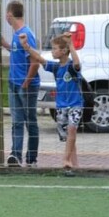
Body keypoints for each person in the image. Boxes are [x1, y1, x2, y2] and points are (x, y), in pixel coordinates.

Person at [20, 32, 83, 176]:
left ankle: (66, 160)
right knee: (68, 136)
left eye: (55, 49)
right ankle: (74, 165)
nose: (52, 51)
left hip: (75, 104)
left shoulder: (71, 66)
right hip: (61, 106)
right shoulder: (55, 67)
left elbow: (77, 64)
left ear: (63, 51)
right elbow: (39, 59)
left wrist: (71, 44)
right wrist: (26, 47)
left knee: (72, 129)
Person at [0, 0, 40, 167]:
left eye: (6, 15)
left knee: (30, 120)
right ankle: (15, 155)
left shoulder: (26, 34)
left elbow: (35, 61)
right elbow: (18, 52)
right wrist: (4, 44)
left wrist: (26, 82)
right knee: (16, 121)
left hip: (26, 85)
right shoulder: (17, 35)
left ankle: (31, 158)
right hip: (13, 83)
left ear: (9, 15)